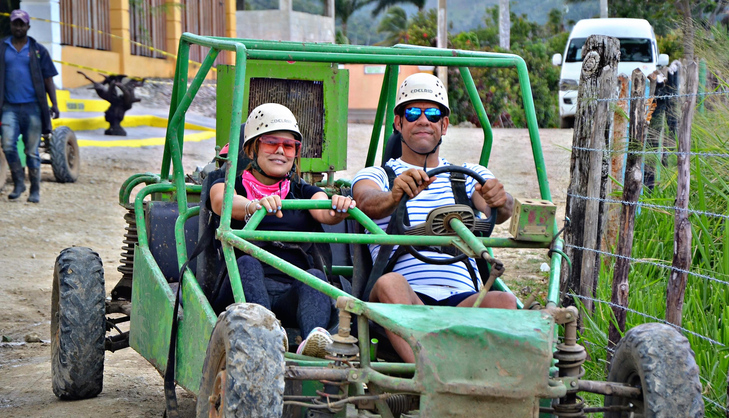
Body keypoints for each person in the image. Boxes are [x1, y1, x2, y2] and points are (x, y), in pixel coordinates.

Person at [352, 73, 518, 362]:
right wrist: (394, 195)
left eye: (433, 113)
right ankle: (434, 375)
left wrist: (499, 199)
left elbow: (497, 206)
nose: (423, 120)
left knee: (504, 301)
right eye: (413, 112)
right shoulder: (377, 175)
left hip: (464, 300)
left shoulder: (467, 176)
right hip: (405, 299)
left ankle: (481, 384)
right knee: (390, 283)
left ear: (444, 125)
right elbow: (365, 201)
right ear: (398, 123)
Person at [208, 103, 355, 348]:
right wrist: (253, 206)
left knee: (316, 277)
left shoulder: (302, 190)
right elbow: (221, 201)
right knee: (246, 263)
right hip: (240, 290)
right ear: (252, 148)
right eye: (271, 143)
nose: (280, 151)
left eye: (288, 146)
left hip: (290, 292)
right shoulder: (227, 182)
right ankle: (268, 335)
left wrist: (337, 207)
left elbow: (323, 210)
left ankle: (313, 343)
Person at [1, 9, 59, 203]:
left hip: (33, 108)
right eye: (15, 23)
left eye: (21, 24)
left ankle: (35, 190)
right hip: (9, 107)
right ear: (11, 25)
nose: (18, 27)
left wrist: (54, 104)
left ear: (28, 26)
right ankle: (19, 183)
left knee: (31, 151)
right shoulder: (3, 48)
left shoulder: (37, 50)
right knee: (8, 145)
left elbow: (48, 79)